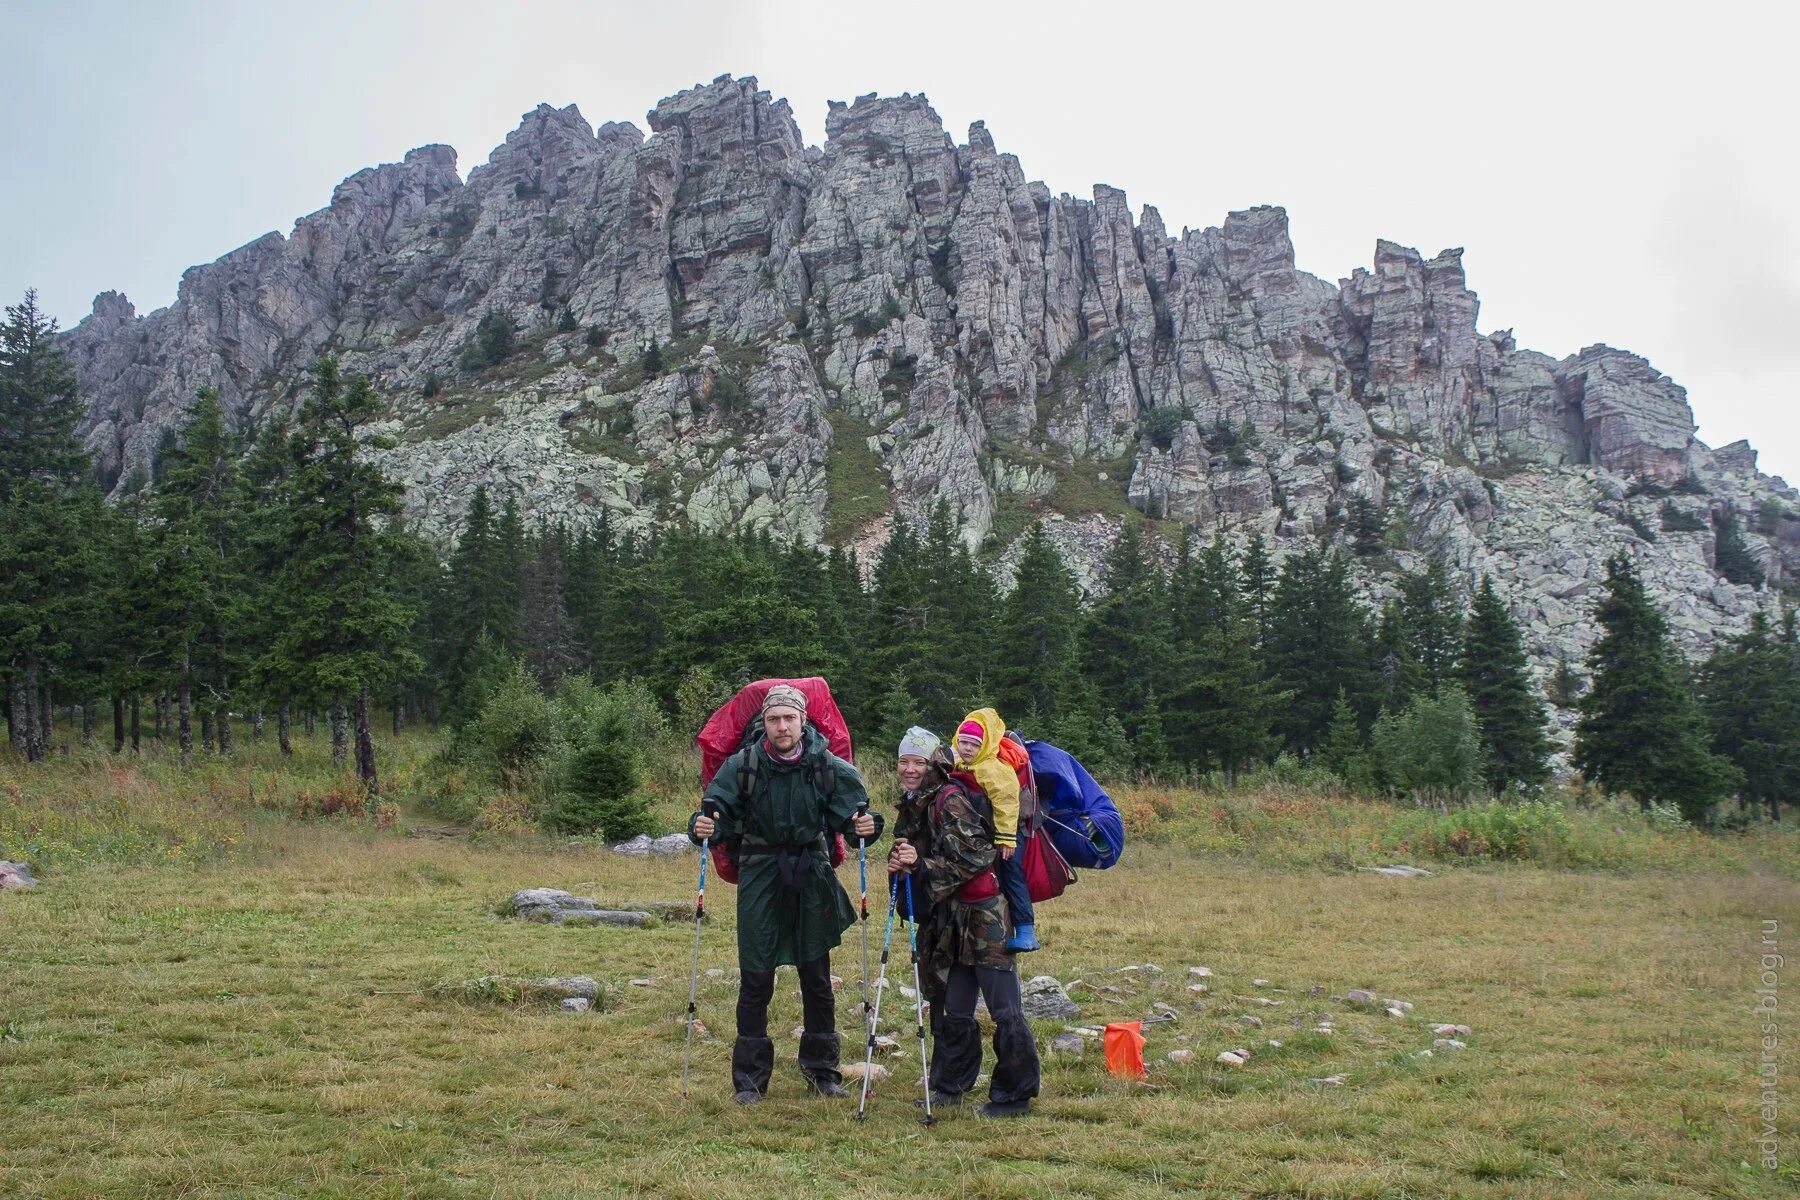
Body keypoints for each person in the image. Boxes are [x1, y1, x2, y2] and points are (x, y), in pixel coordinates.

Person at [689, 684, 881, 1104]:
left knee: (816, 976)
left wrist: (866, 826)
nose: (781, 726)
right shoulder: (744, 765)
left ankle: (822, 1072)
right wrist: (704, 826)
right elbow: (715, 810)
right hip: (760, 873)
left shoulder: (827, 766)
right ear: (764, 723)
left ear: (802, 721)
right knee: (755, 977)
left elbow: (853, 815)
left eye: (789, 718)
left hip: (811, 873)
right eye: (774, 719)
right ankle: (750, 1081)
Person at [890, 727, 1041, 1118]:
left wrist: (921, 866)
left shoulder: (950, 800)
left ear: (935, 764)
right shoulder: (914, 804)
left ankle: (1015, 1097)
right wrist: (901, 868)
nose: (909, 769)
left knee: (1003, 1008)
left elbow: (978, 856)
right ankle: (950, 1087)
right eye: (904, 761)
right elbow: (918, 858)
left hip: (986, 914)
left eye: (918, 762)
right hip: (950, 916)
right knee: (954, 1006)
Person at [954, 708, 1038, 952]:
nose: (967, 749)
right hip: (985, 836)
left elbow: (1007, 804)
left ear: (985, 745)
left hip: (1009, 834)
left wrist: (1007, 838)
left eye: (974, 744)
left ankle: (1026, 930)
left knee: (1012, 875)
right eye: (963, 742)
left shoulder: (994, 768)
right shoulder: (961, 763)